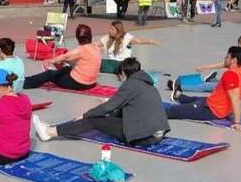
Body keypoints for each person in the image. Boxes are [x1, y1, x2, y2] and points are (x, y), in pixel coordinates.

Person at [33, 57, 170, 147]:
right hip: (158, 132)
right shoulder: (147, 83)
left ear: (123, 72)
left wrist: (86, 115)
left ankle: (50, 132)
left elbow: (108, 107)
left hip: (145, 137)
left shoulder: (130, 85)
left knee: (94, 120)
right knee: (111, 115)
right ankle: (53, 128)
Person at [166, 46, 241, 130]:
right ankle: (179, 95)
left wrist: (237, 122)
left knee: (173, 110)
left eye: (227, 57)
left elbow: (235, 100)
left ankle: (160, 111)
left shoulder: (230, 75)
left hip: (211, 110)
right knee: (194, 99)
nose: (225, 59)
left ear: (234, 60)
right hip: (211, 102)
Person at [168, 34, 241, 93]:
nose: (238, 46)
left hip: (239, 87)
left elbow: (224, 65)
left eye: (239, 44)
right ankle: (212, 80)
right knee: (221, 82)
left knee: (204, 86)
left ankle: (179, 86)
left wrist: (205, 67)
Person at [23, 24, 100, 91]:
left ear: (77, 37)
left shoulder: (80, 50)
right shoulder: (95, 47)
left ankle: (24, 83)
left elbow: (65, 57)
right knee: (66, 69)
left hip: (80, 84)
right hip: (91, 83)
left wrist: (50, 61)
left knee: (49, 74)